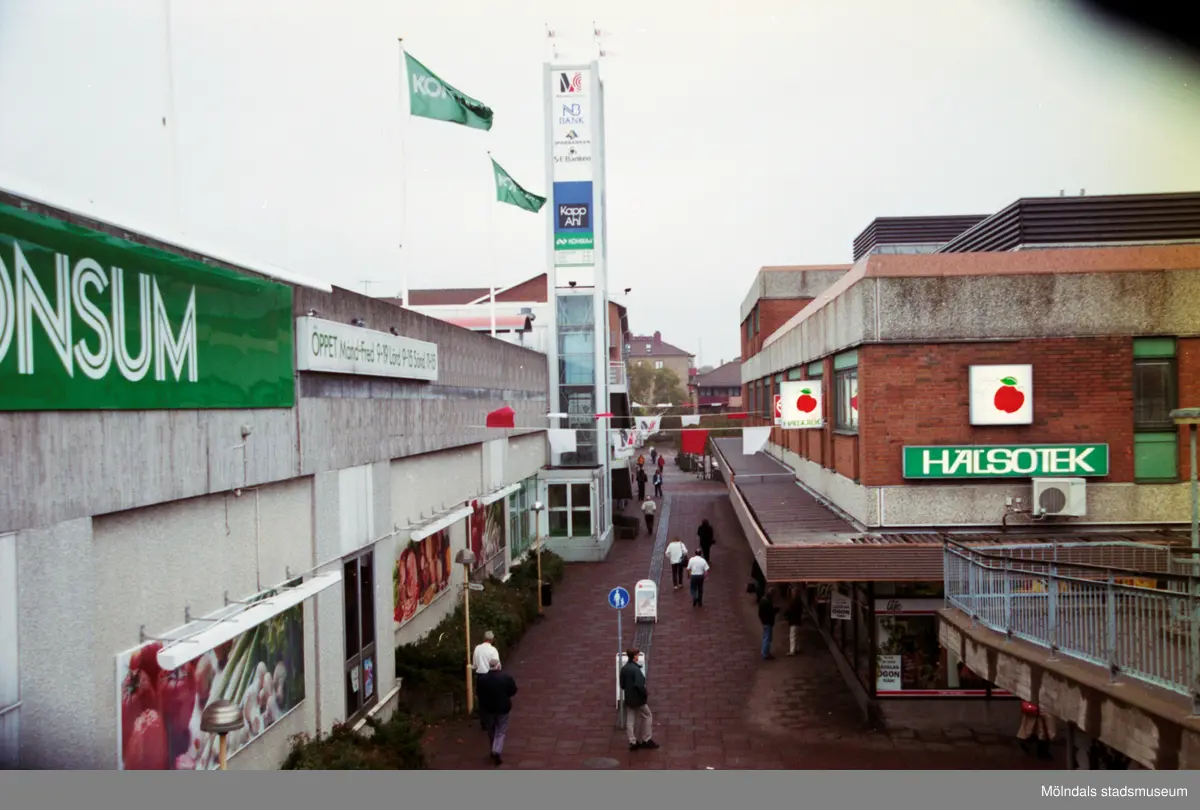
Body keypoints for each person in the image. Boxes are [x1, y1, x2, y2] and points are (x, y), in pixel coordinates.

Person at [476, 658, 518, 766]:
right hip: (503, 708)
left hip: (488, 709)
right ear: (498, 666)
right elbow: (513, 690)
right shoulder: (506, 678)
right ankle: (497, 750)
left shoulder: (482, 680)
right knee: (501, 729)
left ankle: (492, 749)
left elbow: (479, 693)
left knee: (491, 729)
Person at [619, 649, 657, 751]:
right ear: (634, 656)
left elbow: (622, 685)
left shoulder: (624, 668)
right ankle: (646, 739)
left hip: (629, 699)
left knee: (630, 720)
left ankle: (632, 741)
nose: (638, 656)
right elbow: (640, 685)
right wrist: (644, 694)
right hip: (638, 699)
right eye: (637, 654)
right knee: (648, 716)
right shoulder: (636, 670)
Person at [472, 631, 500, 729]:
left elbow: (474, 664)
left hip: (480, 676)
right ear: (492, 640)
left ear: (484, 638)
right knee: (492, 698)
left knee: (482, 699)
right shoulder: (493, 650)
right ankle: (492, 720)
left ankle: (483, 722)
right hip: (490, 675)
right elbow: (497, 665)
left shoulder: (477, 648)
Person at [784, 586, 805, 656]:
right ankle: (798, 648)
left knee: (793, 636)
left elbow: (789, 611)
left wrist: (786, 615)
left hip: (793, 621)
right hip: (798, 620)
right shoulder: (800, 602)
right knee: (798, 635)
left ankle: (792, 650)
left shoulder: (793, 602)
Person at [758, 594, 779, 660]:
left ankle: (765, 651)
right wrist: (776, 610)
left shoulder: (762, 601)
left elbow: (760, 613)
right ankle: (765, 654)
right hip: (768, 622)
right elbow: (771, 612)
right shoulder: (767, 603)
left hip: (764, 622)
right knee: (767, 638)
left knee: (765, 637)